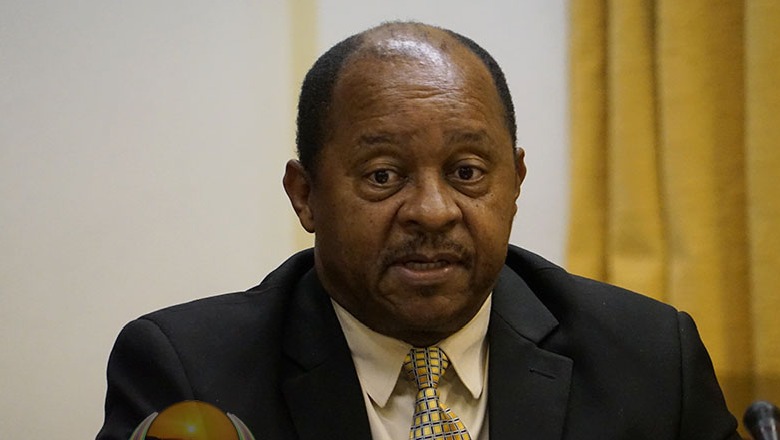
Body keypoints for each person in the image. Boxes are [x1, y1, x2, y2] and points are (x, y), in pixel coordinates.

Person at [97, 22, 740, 440]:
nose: (433, 211)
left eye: (467, 172)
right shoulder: (191, 374)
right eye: (383, 176)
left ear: (515, 182)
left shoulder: (651, 360)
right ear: (305, 195)